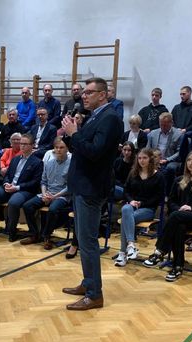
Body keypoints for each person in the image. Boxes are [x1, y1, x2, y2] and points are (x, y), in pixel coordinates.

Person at [61, 77, 122, 310]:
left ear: (102, 95)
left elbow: (95, 152)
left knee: (87, 242)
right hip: (81, 185)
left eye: (89, 92)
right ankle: (88, 283)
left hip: (91, 187)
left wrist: (75, 134)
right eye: (84, 92)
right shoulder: (95, 116)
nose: (84, 96)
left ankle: (95, 295)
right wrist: (71, 133)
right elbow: (80, 147)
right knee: (83, 239)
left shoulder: (110, 118)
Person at [143, 150, 192, 282]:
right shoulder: (179, 180)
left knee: (176, 217)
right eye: (189, 160)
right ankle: (177, 266)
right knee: (179, 227)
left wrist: (191, 208)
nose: (190, 163)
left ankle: (160, 251)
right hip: (179, 218)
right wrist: (180, 210)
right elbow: (171, 202)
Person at [0, 133, 43, 241]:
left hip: (25, 190)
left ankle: (11, 232)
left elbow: (35, 182)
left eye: (25, 144)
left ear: (32, 145)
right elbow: (7, 175)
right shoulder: (15, 159)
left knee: (13, 202)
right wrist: (6, 183)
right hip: (9, 187)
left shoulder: (37, 162)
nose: (22, 146)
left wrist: (17, 187)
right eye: (21, 143)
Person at [114, 148, 165, 267]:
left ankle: (123, 253)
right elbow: (126, 191)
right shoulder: (133, 173)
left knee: (126, 218)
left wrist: (141, 203)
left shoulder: (159, 176)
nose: (142, 160)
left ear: (150, 159)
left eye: (145, 158)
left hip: (148, 209)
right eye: (140, 158)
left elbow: (158, 197)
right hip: (133, 206)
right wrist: (131, 201)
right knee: (126, 209)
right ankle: (131, 245)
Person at [20, 137, 71, 249]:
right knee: (27, 206)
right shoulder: (49, 163)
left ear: (67, 149)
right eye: (56, 147)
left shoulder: (72, 164)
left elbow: (70, 187)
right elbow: (43, 181)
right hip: (47, 193)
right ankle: (34, 234)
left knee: (53, 209)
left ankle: (46, 236)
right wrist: (44, 194)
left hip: (62, 196)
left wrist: (54, 196)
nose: (58, 150)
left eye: (61, 147)